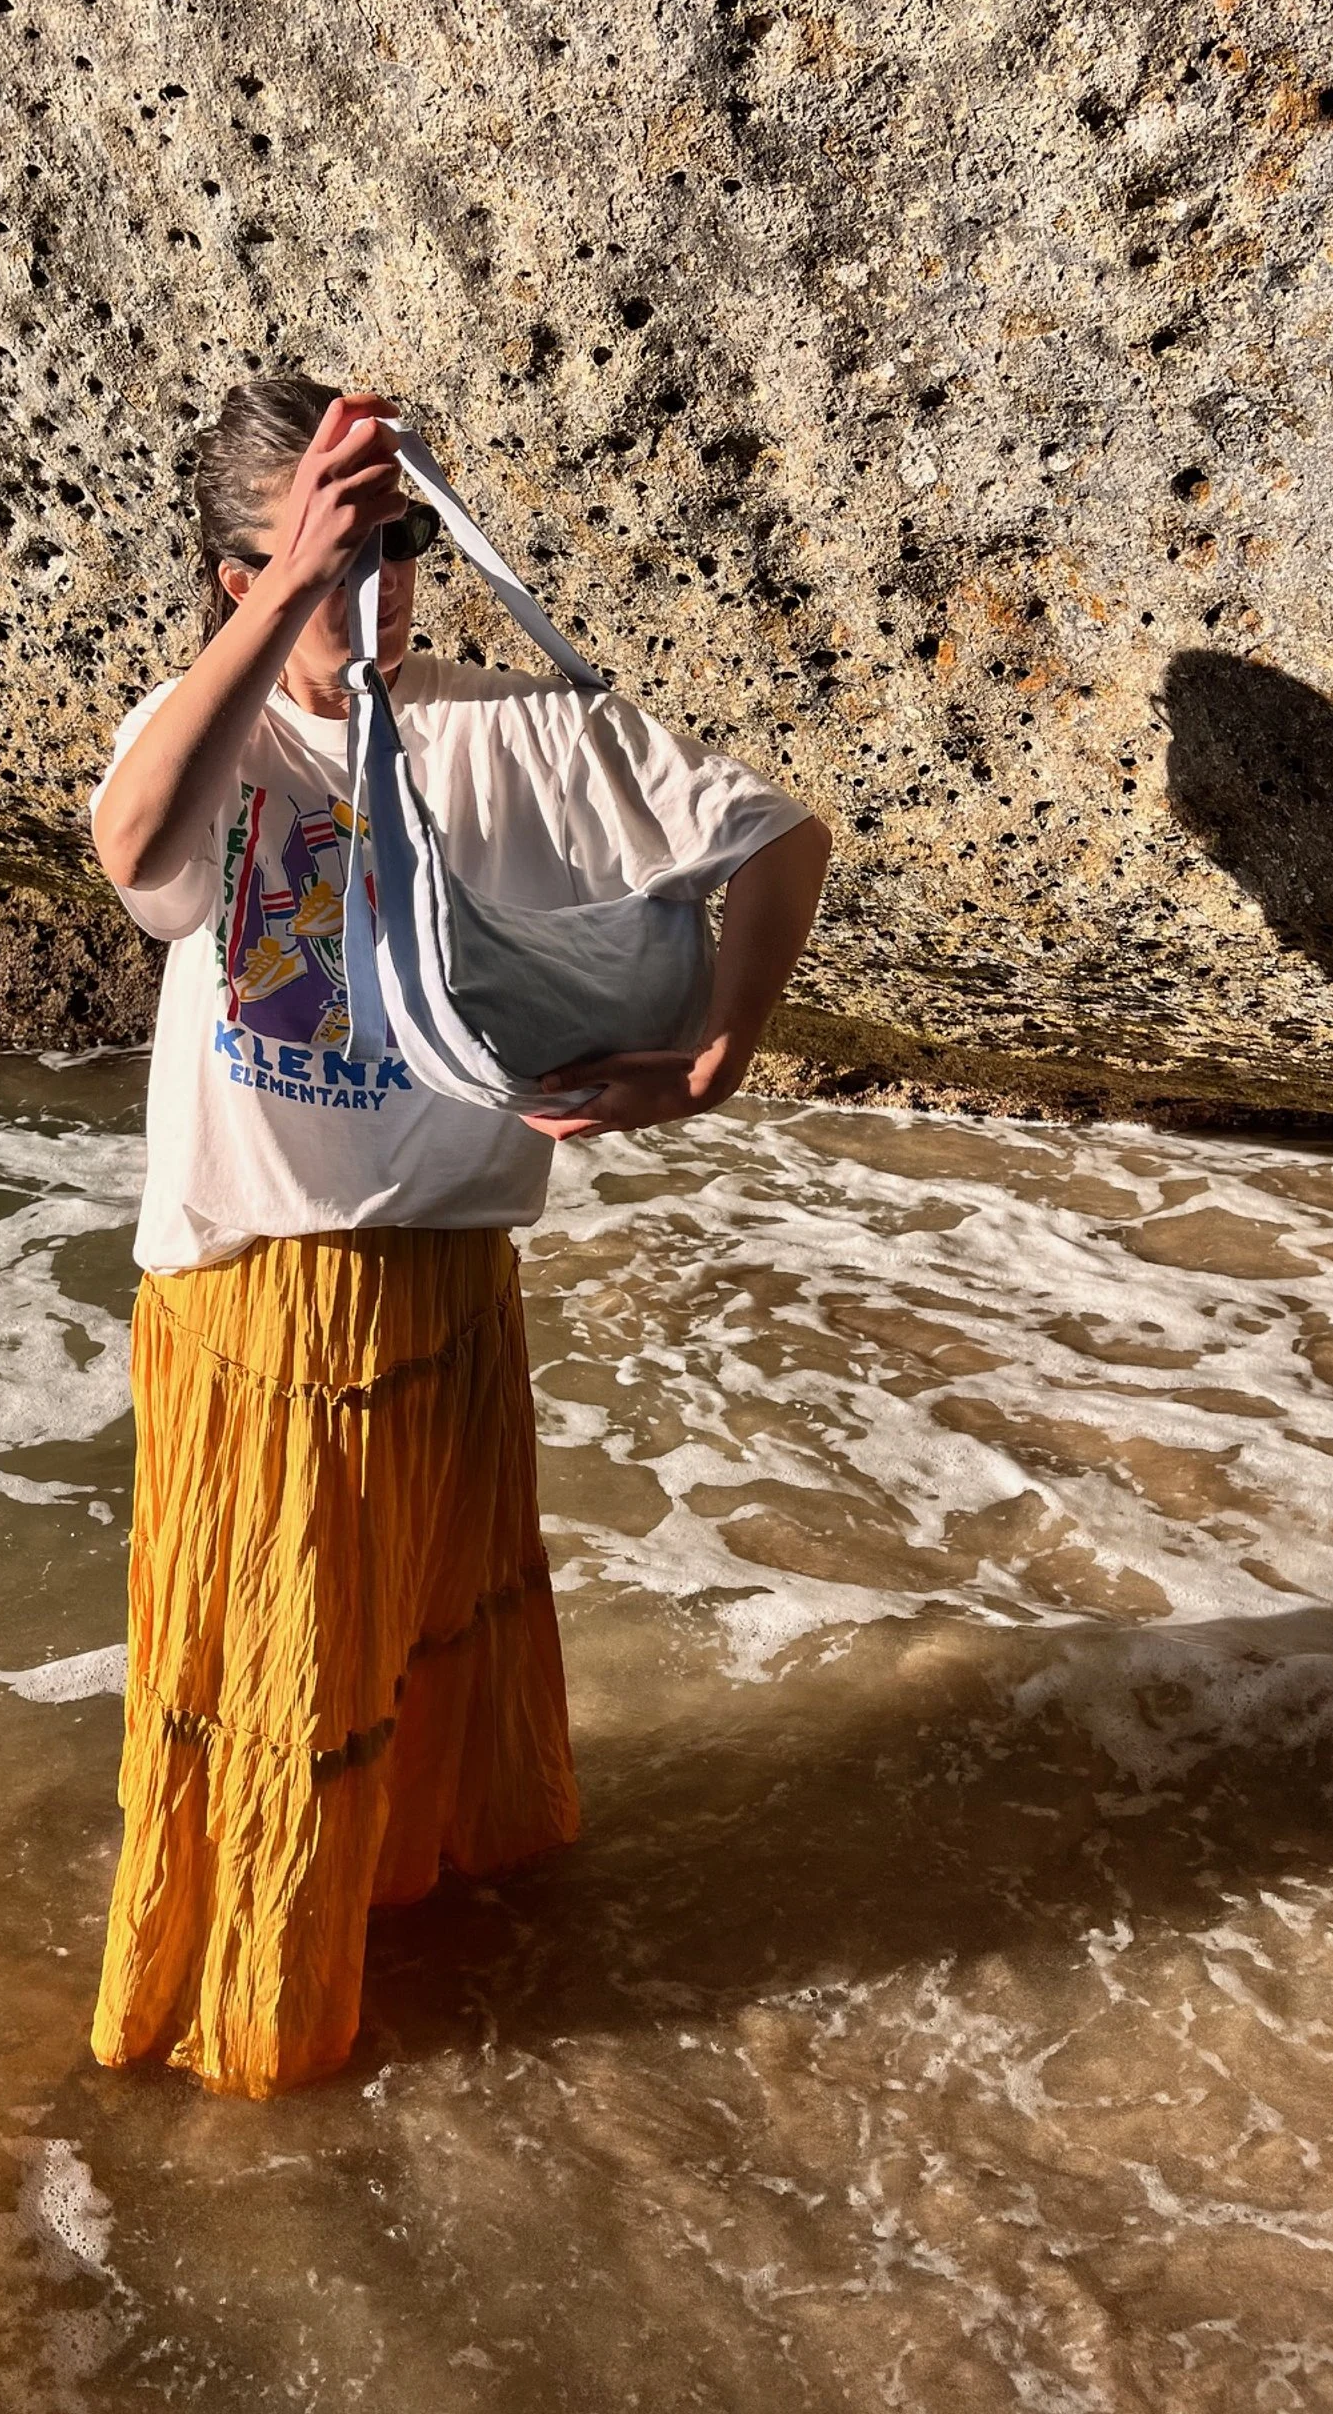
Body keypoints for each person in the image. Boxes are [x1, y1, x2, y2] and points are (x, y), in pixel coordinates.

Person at [85, 376, 832, 2098]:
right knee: (275, 1688)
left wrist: (715, 1060)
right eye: (343, 552)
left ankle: (440, 1969)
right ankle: (261, 2063)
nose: (386, 586)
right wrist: (295, 589)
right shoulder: (211, 736)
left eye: (403, 543)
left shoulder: (510, 731)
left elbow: (780, 841)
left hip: (443, 1285)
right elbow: (135, 851)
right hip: (257, 1303)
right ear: (241, 575)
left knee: (408, 1670)